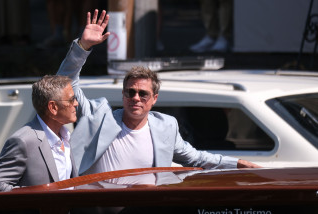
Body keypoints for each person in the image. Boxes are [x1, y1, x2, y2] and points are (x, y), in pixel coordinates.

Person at [56, 9, 260, 177]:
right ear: (123, 95)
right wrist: (82, 47)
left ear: (154, 99)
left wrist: (238, 163)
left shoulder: (166, 126)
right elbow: (65, 84)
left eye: (143, 94)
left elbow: (197, 158)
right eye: (130, 92)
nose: (136, 98)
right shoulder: (99, 117)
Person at [0, 75, 79, 192]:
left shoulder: (66, 136)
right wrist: (40, 197)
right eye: (71, 99)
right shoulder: (23, 141)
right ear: (53, 107)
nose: (76, 103)